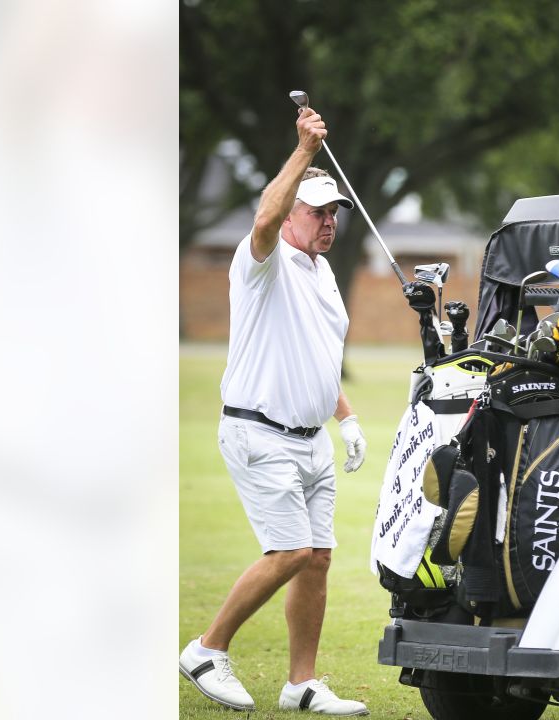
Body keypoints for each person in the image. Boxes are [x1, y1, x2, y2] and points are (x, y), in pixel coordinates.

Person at [179, 106, 370, 716]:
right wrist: (303, 153)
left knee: (316, 559)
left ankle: (301, 684)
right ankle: (207, 649)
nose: (328, 222)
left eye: (333, 213)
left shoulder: (322, 270)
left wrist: (347, 417)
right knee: (288, 552)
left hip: (311, 438)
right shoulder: (260, 263)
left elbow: (316, 355)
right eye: (317, 212)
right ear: (291, 214)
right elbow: (262, 215)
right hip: (259, 433)